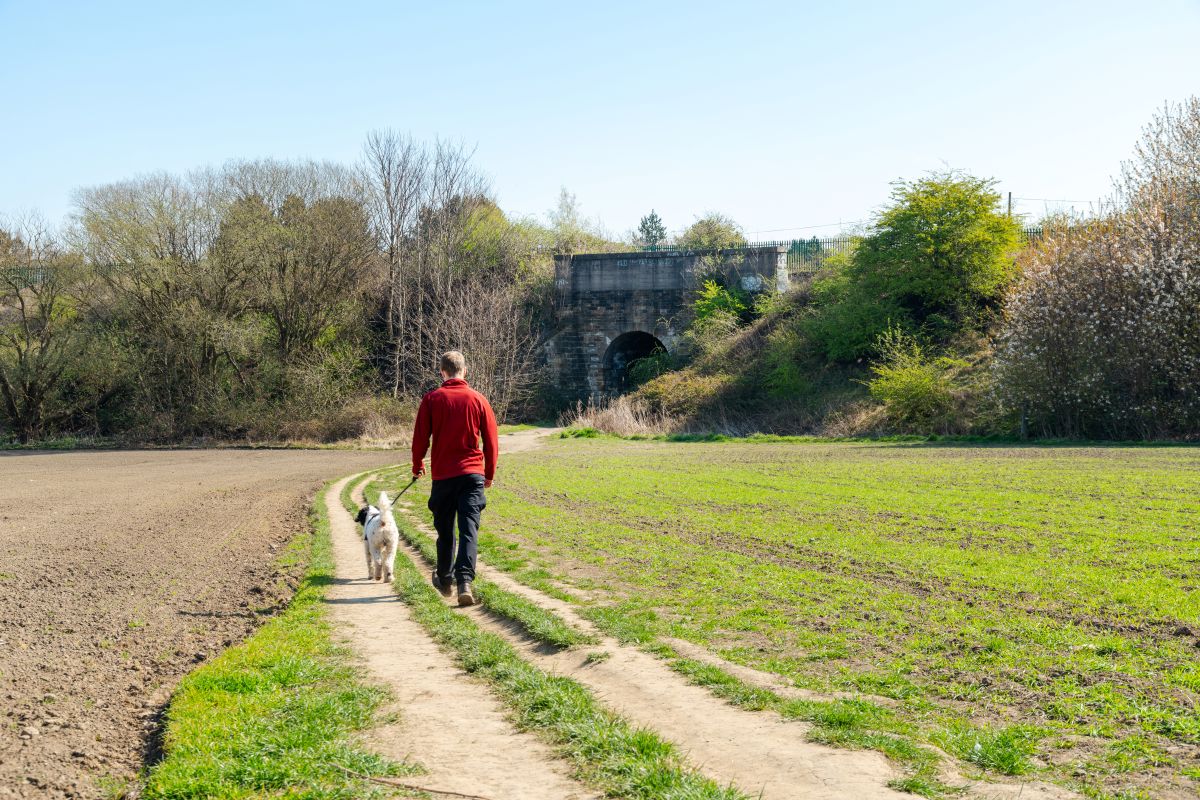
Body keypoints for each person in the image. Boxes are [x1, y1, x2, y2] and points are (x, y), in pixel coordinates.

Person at [411, 350, 499, 606]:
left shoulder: (432, 399)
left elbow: (420, 439)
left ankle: (445, 578)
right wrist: (489, 473)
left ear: (442, 372)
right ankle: (465, 583)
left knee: (445, 530)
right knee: (469, 530)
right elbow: (491, 442)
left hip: (444, 476)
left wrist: (417, 465)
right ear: (465, 371)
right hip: (472, 475)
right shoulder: (479, 400)